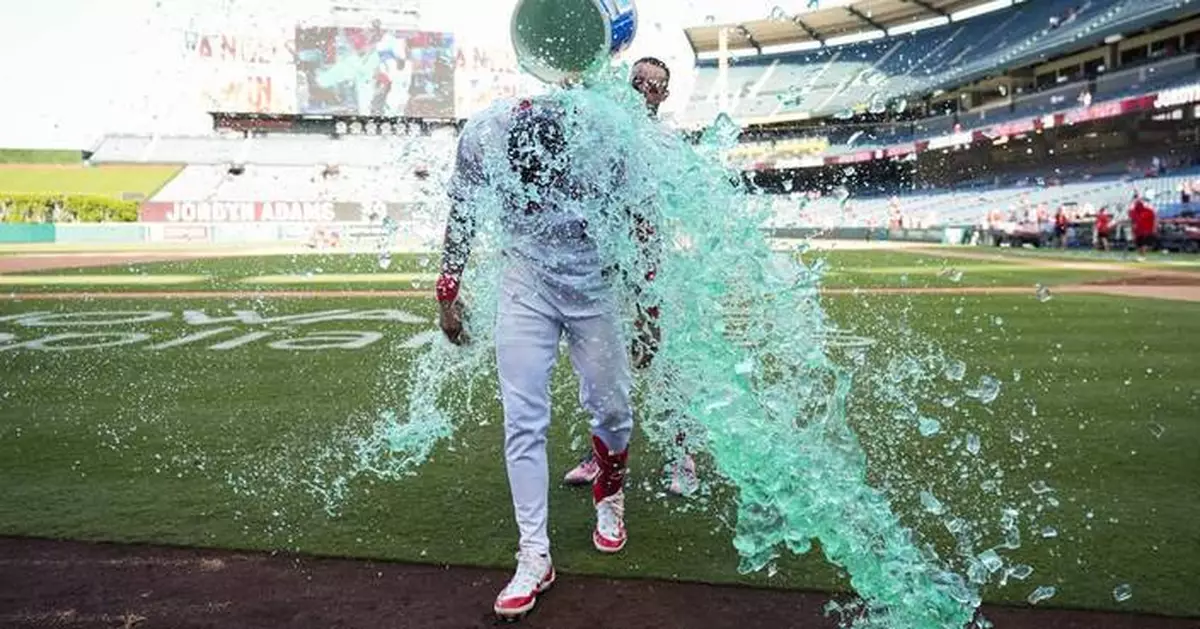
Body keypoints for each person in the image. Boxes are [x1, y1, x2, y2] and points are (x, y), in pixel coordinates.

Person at [437, 94, 659, 619]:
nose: (535, 196)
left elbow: (643, 222)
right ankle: (534, 554)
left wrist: (650, 311)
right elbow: (464, 209)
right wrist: (448, 289)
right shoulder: (484, 135)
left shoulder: (607, 143)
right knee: (522, 418)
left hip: (596, 282)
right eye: (525, 186)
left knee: (613, 409)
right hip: (526, 282)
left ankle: (609, 494)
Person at [560, 57, 697, 497]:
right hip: (607, 269)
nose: (644, 90)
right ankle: (598, 456)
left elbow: (661, 217)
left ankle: (683, 456)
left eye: (654, 86)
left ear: (665, 95)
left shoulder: (667, 145)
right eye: (636, 81)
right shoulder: (605, 134)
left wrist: (650, 287)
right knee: (603, 369)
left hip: (655, 271)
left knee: (667, 365)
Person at [1128, 193, 1157, 259]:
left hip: (1146, 230)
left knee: (1143, 244)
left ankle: (1143, 256)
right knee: (1138, 244)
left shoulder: (1149, 211)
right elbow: (1131, 215)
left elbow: (1154, 219)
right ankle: (1140, 256)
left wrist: (1154, 228)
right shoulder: (1134, 212)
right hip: (1138, 231)